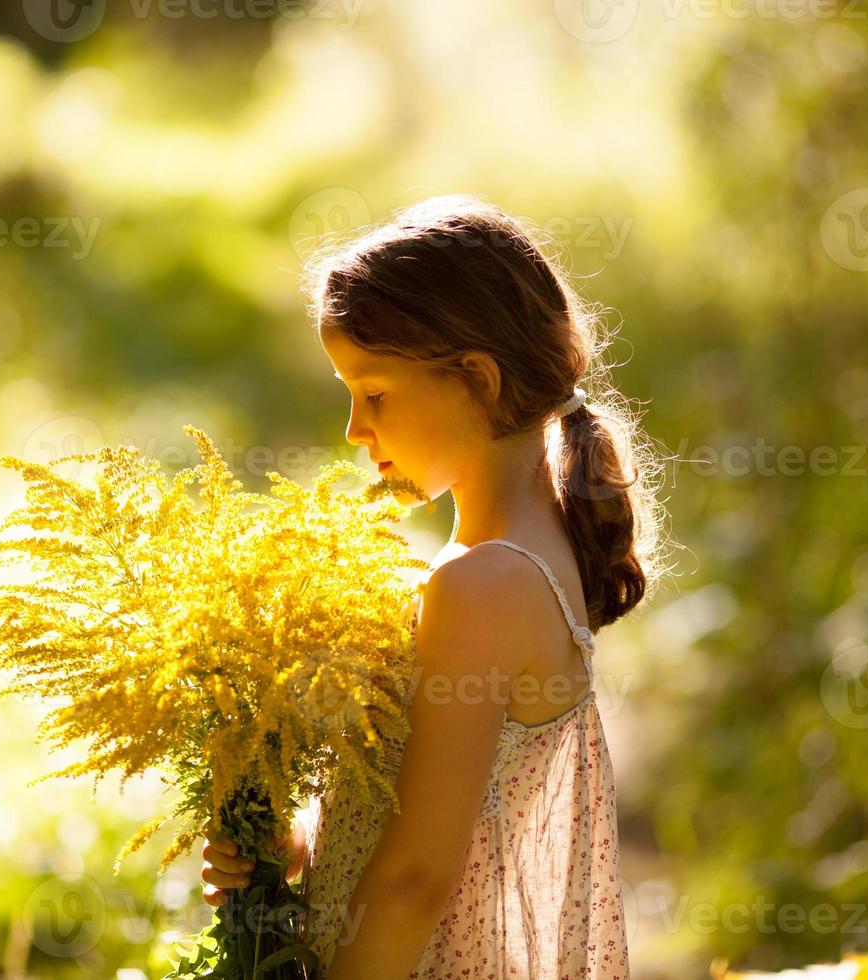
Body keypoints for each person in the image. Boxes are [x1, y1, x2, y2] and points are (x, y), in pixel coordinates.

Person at [200, 193, 670, 978]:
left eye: (374, 392)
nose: (354, 427)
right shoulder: (506, 558)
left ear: (477, 379)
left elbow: (415, 881)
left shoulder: (483, 584)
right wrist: (291, 851)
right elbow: (425, 815)